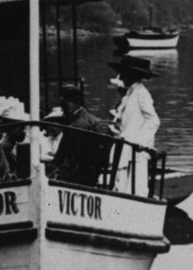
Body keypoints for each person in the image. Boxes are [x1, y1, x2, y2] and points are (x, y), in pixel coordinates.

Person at [108, 55, 160, 196]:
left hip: (135, 150)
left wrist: (141, 142)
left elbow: (154, 120)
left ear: (132, 75)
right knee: (122, 182)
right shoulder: (130, 94)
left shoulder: (141, 93)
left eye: (123, 73)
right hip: (126, 148)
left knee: (135, 186)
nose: (120, 76)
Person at [49, 84, 115, 187]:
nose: (63, 109)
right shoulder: (89, 119)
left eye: (65, 104)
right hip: (91, 174)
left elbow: (69, 156)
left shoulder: (76, 125)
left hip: (79, 177)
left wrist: (55, 169)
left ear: (73, 103)